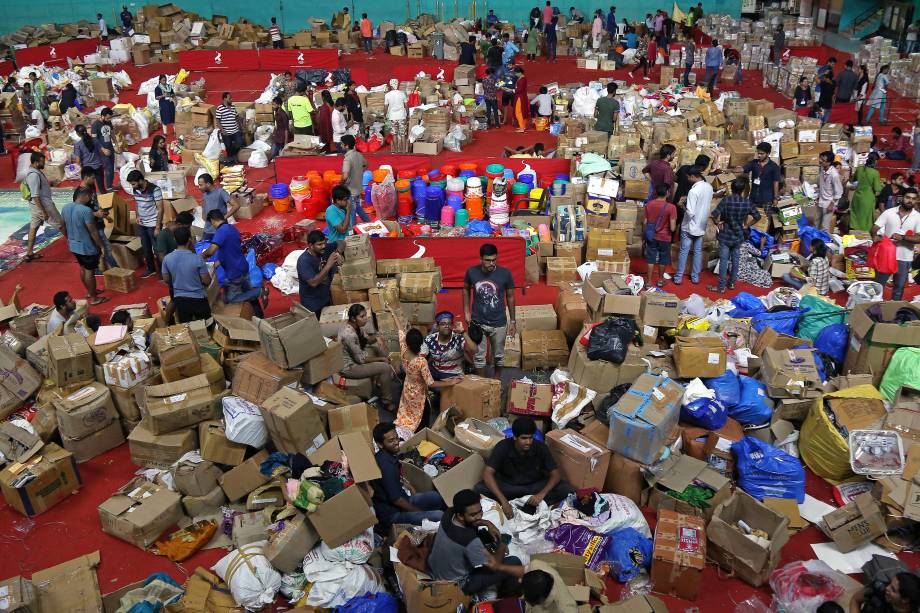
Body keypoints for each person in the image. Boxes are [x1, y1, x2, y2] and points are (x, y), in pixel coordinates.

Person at [428, 489, 523, 598]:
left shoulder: (448, 514)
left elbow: (474, 522)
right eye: (473, 514)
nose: (479, 517)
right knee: (514, 561)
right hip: (457, 586)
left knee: (482, 534)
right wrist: (503, 543)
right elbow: (494, 566)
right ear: (460, 516)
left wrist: (487, 523)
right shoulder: (470, 541)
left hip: (435, 568)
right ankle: (506, 596)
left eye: (480, 511)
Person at [476, 416, 574, 518]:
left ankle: (529, 505)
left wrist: (541, 495)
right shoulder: (503, 447)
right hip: (509, 487)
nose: (528, 442)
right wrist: (503, 501)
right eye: (524, 438)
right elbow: (487, 473)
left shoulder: (540, 447)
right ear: (514, 437)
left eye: (530, 437)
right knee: (479, 488)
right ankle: (516, 505)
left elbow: (556, 474)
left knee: (565, 488)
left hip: (533, 487)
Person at [391, 307, 461, 434]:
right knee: (422, 414)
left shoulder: (404, 350)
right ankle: (421, 433)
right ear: (420, 343)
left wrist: (392, 312)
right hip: (419, 392)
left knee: (407, 411)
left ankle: (406, 431)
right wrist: (450, 383)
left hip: (407, 388)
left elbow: (400, 330)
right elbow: (431, 383)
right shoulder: (420, 362)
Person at [371, 422, 446, 527]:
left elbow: (393, 483)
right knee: (439, 515)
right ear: (380, 444)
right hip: (392, 514)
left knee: (436, 497)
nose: (397, 442)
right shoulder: (387, 466)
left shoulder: (384, 456)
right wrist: (417, 512)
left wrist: (410, 487)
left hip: (402, 499)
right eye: (391, 441)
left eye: (397, 438)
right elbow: (397, 500)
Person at [201, 210, 267, 316]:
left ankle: (259, 291)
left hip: (233, 271)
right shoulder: (232, 228)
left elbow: (211, 250)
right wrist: (217, 263)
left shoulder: (221, 231)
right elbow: (229, 248)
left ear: (213, 221)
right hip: (242, 266)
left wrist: (201, 257)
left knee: (229, 298)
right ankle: (260, 317)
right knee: (249, 295)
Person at [464, 243, 515, 377]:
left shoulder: (505, 274)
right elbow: (465, 289)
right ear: (481, 259)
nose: (491, 263)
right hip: (478, 322)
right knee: (479, 357)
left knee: (498, 355)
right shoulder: (471, 272)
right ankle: (482, 383)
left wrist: (513, 321)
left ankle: (497, 380)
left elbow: (510, 297)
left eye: (494, 260)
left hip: (498, 322)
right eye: (487, 260)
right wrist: (466, 311)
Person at [338, 303, 396, 412]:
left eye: (365, 316)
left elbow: (368, 339)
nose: (366, 319)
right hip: (350, 367)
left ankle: (381, 380)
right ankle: (386, 401)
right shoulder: (349, 334)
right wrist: (381, 359)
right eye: (362, 317)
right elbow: (361, 360)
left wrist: (378, 337)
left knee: (377, 347)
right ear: (353, 318)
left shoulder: (355, 326)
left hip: (357, 355)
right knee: (385, 367)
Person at [709, 178, 760, 293]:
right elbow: (757, 216)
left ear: (732, 188)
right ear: (743, 190)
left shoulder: (726, 200)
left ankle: (721, 287)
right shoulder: (747, 202)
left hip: (725, 234)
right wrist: (747, 225)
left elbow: (714, 214)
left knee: (723, 260)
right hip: (738, 235)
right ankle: (731, 283)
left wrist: (718, 223)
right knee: (735, 260)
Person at [871, 188, 920, 300]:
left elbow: (919, 238)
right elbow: (875, 228)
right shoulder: (889, 212)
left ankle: (893, 312)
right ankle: (873, 309)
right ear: (902, 198)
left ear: (916, 201)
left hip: (905, 257)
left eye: (913, 199)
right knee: (878, 286)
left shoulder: (918, 217)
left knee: (899, 288)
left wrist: (902, 237)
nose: (910, 201)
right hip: (886, 256)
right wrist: (875, 236)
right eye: (907, 197)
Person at [61, 187, 107, 305]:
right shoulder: (86, 211)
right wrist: (101, 246)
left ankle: (90, 292)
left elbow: (62, 226)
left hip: (73, 244)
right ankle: (94, 298)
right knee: (89, 271)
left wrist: (68, 238)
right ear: (85, 196)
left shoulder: (65, 207)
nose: (91, 199)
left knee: (82, 268)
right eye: (90, 196)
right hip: (86, 246)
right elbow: (93, 231)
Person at [161, 226, 212, 323]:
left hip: (180, 300)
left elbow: (166, 279)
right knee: (207, 327)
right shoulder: (197, 259)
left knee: (187, 330)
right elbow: (207, 281)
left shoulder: (167, 259)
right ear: (189, 240)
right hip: (199, 299)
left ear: (174, 240)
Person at [674, 165, 711, 285]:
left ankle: (678, 277)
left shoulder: (693, 191)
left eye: (688, 177)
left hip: (689, 226)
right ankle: (695, 277)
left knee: (684, 251)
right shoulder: (708, 187)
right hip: (701, 225)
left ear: (693, 176)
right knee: (697, 252)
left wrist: (681, 205)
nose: (687, 179)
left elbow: (690, 212)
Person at [74, 166, 116, 272]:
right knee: (105, 248)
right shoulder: (80, 194)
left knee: (100, 248)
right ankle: (116, 269)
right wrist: (95, 214)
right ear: (86, 177)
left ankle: (99, 270)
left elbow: (95, 205)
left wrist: (105, 216)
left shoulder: (91, 187)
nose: (94, 180)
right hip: (92, 226)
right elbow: (78, 212)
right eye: (93, 178)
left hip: (98, 223)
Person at [24, 152, 63, 262]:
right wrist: (44, 211)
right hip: (44, 206)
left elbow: (38, 188)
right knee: (61, 224)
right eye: (42, 162)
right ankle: (76, 247)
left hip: (35, 207)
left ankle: (29, 253)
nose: (44, 164)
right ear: (36, 163)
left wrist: (50, 183)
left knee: (34, 228)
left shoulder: (35, 172)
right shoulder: (34, 175)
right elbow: (35, 196)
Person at [421, 312, 481, 379]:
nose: (446, 326)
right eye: (443, 324)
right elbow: (420, 358)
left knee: (442, 388)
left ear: (452, 325)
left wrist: (463, 332)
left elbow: (475, 350)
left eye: (449, 323)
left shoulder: (458, 337)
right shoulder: (430, 339)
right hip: (435, 371)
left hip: (454, 374)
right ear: (437, 326)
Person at [126, 170, 164, 278]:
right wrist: (137, 216)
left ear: (141, 180)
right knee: (146, 248)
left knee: (157, 250)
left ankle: (162, 272)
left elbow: (160, 209)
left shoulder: (155, 190)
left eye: (133, 183)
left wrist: (157, 227)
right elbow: (137, 203)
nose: (133, 186)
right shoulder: (135, 190)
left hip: (153, 224)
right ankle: (151, 269)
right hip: (142, 224)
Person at [296, 230, 342, 316]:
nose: (323, 246)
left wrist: (338, 253)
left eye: (324, 243)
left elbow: (341, 242)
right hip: (313, 305)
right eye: (319, 244)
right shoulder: (304, 261)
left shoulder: (324, 249)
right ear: (310, 245)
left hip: (327, 298)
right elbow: (313, 283)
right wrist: (328, 265)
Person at [645, 184, 678, 288]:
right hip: (665, 237)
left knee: (651, 258)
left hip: (651, 236)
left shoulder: (649, 204)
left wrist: (645, 234)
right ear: (667, 193)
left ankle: (649, 282)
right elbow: (672, 228)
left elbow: (645, 222)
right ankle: (660, 280)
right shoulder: (671, 207)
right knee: (663, 258)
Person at [851, 571, 920, 613]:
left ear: (905, 600)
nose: (887, 588)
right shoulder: (878, 587)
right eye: (890, 583)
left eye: (893, 590)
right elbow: (855, 600)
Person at [740, 142, 782, 211]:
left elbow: (776, 183)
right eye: (758, 153)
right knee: (751, 218)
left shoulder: (774, 167)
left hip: (766, 199)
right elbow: (743, 169)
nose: (759, 155)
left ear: (768, 154)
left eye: (761, 154)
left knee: (765, 219)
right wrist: (729, 170)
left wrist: (775, 198)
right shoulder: (754, 163)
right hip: (753, 198)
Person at [340, 135, 371, 224]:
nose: (341, 145)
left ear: (346, 146)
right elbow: (365, 165)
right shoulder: (358, 154)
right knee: (357, 207)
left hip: (350, 190)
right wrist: (359, 172)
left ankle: (352, 231)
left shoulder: (347, 159)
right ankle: (369, 223)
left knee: (351, 211)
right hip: (358, 188)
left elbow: (345, 176)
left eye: (342, 144)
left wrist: (341, 184)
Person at [198, 174, 237, 242]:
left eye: (201, 185)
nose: (199, 187)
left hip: (220, 230)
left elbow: (236, 205)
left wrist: (224, 217)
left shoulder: (220, 192)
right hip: (208, 230)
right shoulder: (204, 194)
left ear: (208, 184)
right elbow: (205, 208)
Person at [850, 153, 883, 231]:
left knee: (855, 216)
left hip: (857, 196)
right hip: (867, 198)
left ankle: (854, 232)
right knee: (866, 219)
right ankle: (864, 235)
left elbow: (854, 180)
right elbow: (877, 188)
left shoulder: (859, 168)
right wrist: (882, 185)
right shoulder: (875, 173)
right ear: (875, 161)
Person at [73, 125, 106, 196]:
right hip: (98, 166)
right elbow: (101, 152)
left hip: (87, 170)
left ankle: (94, 202)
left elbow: (78, 161)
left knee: (90, 190)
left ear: (77, 134)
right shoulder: (95, 140)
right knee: (102, 188)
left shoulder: (77, 145)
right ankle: (108, 203)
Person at [816, 150, 844, 233]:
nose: (820, 161)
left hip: (829, 203)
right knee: (816, 223)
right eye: (820, 158)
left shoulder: (834, 175)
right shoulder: (822, 168)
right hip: (821, 201)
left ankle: (824, 244)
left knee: (824, 227)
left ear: (829, 162)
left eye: (823, 160)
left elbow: (839, 192)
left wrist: (832, 204)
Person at [92, 107, 116, 191]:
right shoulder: (96, 124)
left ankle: (110, 185)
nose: (109, 119)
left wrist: (116, 144)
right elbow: (94, 139)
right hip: (102, 150)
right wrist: (103, 149)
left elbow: (112, 133)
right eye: (107, 118)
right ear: (102, 116)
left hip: (110, 147)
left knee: (112, 167)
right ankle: (108, 187)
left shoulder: (108, 122)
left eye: (110, 118)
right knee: (108, 168)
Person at [216, 92, 243, 164]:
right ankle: (232, 159)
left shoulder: (233, 107)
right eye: (230, 98)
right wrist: (222, 130)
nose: (232, 99)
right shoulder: (220, 108)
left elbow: (236, 117)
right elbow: (218, 121)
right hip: (226, 132)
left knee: (239, 143)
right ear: (225, 99)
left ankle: (233, 156)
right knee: (228, 146)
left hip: (235, 130)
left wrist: (241, 126)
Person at [385, 79, 409, 153]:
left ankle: (396, 151)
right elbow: (406, 106)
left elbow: (385, 107)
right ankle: (404, 151)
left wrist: (385, 115)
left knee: (394, 135)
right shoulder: (402, 94)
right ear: (397, 84)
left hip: (392, 117)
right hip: (402, 116)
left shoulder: (387, 95)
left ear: (390, 85)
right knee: (403, 134)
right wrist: (407, 115)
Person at [510, 66, 530, 133]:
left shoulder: (522, 79)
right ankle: (523, 126)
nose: (515, 74)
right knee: (522, 112)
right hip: (521, 96)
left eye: (516, 73)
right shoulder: (522, 78)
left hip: (520, 97)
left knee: (518, 112)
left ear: (519, 72)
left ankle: (522, 127)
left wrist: (511, 90)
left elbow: (519, 89)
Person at [315, 90, 334, 154]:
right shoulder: (333, 105)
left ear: (323, 97)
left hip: (327, 132)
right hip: (334, 130)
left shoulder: (324, 107)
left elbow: (323, 123)